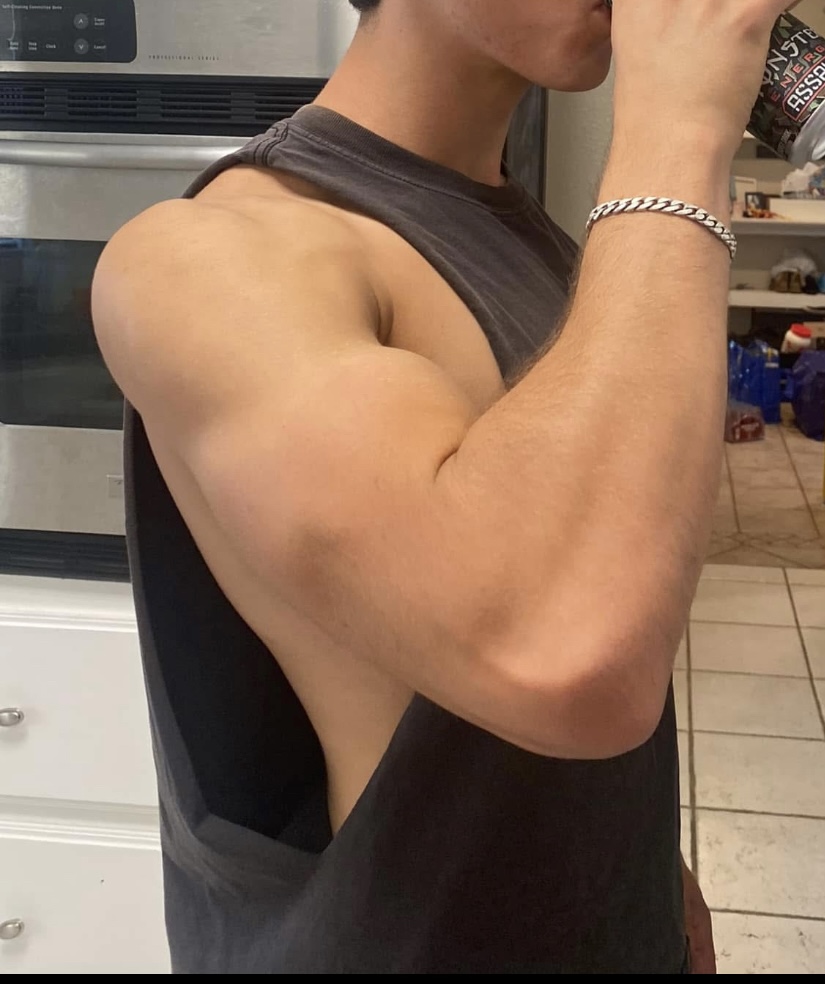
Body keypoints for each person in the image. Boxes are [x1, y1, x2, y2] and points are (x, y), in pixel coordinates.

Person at [91, 0, 789, 973]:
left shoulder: (538, 241)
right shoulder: (216, 255)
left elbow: (586, 601)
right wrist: (678, 123)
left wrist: (649, 880)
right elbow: (559, 652)